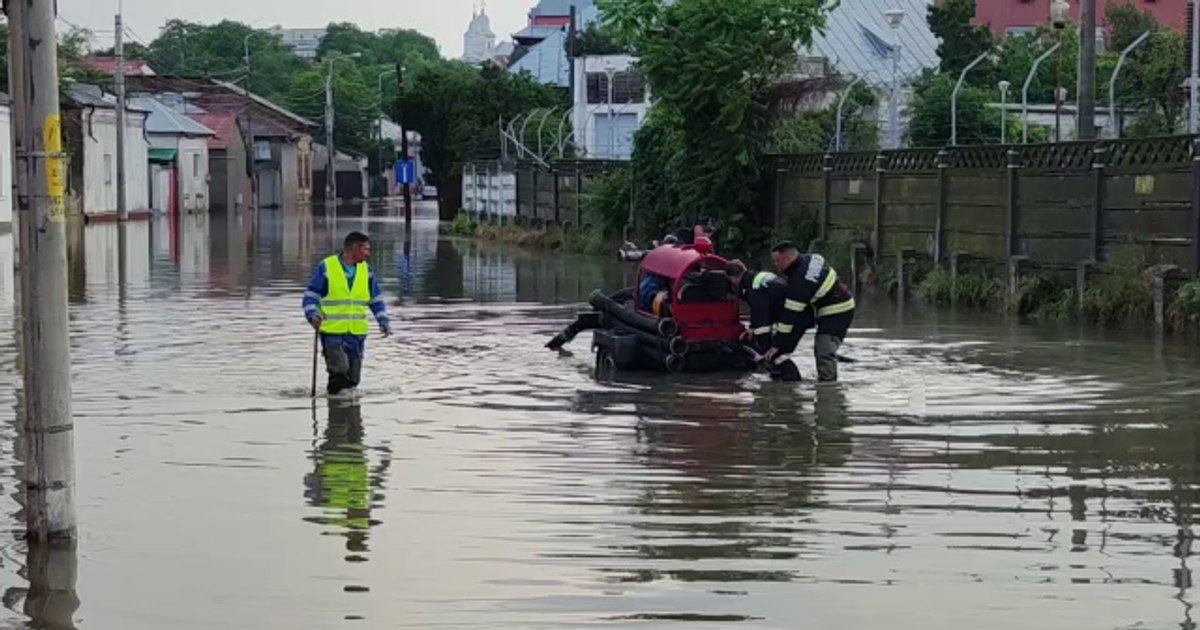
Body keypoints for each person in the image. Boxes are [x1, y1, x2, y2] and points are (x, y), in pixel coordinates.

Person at [303, 231, 391, 396]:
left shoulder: (367, 271)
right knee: (339, 372)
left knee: (353, 380)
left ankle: (340, 405)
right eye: (365, 249)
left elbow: (375, 300)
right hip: (332, 332)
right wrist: (312, 315)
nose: (368, 254)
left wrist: (383, 321)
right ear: (354, 248)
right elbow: (310, 296)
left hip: (356, 334)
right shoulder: (326, 267)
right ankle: (338, 408)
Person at [762, 241, 855, 383]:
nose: (776, 265)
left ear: (788, 258)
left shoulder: (800, 283)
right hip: (831, 303)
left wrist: (777, 345)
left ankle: (828, 387)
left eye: (777, 261)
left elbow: (789, 319)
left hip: (838, 310)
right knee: (823, 348)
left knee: (823, 349)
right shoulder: (811, 258)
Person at [725, 259, 800, 381]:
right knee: (776, 349)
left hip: (788, 315)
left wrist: (763, 344)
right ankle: (784, 378)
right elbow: (763, 310)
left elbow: (761, 315)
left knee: (770, 352)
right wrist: (752, 328)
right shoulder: (756, 277)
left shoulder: (752, 287)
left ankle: (788, 380)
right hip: (794, 313)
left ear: (732, 278)